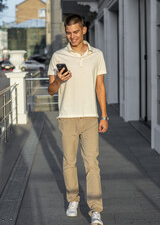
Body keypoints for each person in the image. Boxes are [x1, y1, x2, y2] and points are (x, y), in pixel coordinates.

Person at [48, 14, 109, 225]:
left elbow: (100, 87)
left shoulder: (97, 55)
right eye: (68, 33)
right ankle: (72, 200)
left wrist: (104, 115)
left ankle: (95, 210)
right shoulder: (58, 56)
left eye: (75, 32)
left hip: (91, 116)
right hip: (67, 116)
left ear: (83, 30)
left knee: (92, 163)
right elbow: (50, 90)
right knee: (69, 162)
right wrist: (57, 80)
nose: (72, 36)